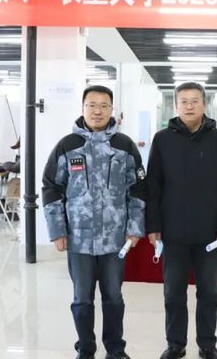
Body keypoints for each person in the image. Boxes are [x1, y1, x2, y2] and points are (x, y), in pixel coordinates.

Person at [42, 85, 146, 359]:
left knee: (114, 297)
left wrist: (135, 228)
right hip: (79, 238)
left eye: (103, 105)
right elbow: (51, 188)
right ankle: (86, 349)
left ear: (112, 110)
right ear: (83, 108)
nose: (97, 111)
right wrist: (57, 230)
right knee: (82, 299)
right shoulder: (67, 145)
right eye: (92, 105)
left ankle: (115, 349)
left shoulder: (124, 146)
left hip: (115, 239)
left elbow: (138, 189)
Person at [145, 82, 217, 359]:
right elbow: (153, 185)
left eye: (195, 101)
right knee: (173, 293)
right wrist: (153, 226)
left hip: (210, 234)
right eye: (184, 101)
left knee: (208, 293)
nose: (189, 106)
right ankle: (176, 344)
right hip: (172, 233)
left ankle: (207, 344)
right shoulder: (162, 140)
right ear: (176, 105)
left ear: (204, 105)